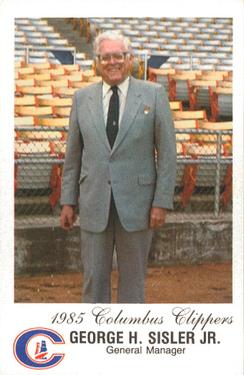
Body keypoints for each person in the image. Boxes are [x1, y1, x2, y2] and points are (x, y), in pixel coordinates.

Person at [60, 30, 176, 303]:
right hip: (93, 203)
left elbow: (168, 154)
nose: (112, 62)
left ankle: (127, 338)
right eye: (105, 57)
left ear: (130, 59)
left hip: (139, 207)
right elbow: (73, 155)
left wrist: (162, 202)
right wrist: (68, 201)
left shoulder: (155, 94)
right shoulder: (82, 98)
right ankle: (95, 336)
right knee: (93, 281)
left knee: (134, 285)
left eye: (118, 56)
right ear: (97, 62)